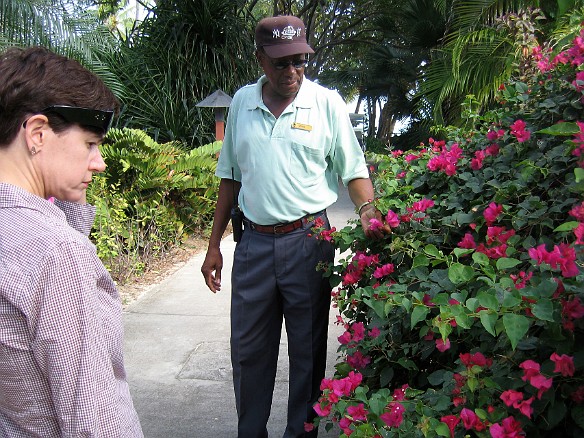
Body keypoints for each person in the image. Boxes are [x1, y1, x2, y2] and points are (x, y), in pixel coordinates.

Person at [201, 15, 388, 438]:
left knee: (307, 351)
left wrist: (368, 211)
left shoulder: (327, 104)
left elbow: (353, 170)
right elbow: (229, 178)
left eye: (299, 62)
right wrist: (214, 246)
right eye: (281, 63)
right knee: (249, 353)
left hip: (308, 242)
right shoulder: (242, 106)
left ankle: (300, 434)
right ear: (260, 60)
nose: (291, 73)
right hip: (252, 246)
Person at [0, 46, 143, 437]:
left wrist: (72, 204)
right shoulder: (55, 252)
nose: (98, 162)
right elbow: (91, 418)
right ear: (37, 134)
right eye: (90, 144)